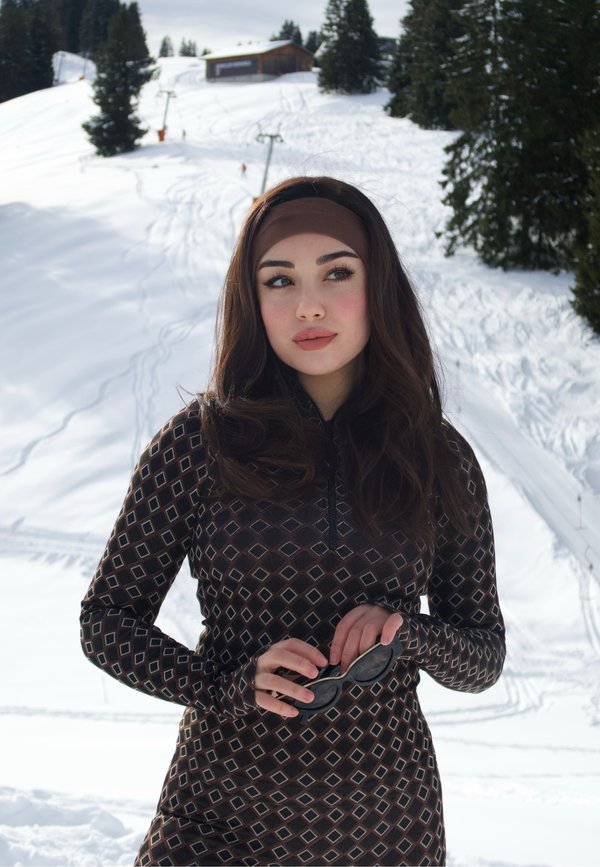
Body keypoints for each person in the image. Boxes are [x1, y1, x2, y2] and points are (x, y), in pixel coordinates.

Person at [79, 175, 506, 866]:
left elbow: (483, 654)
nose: (309, 304)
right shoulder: (200, 443)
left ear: (379, 286)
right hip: (218, 815)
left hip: (388, 828)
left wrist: (410, 634)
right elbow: (107, 619)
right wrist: (220, 686)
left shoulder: (437, 454)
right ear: (253, 299)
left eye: (337, 272)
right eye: (279, 280)